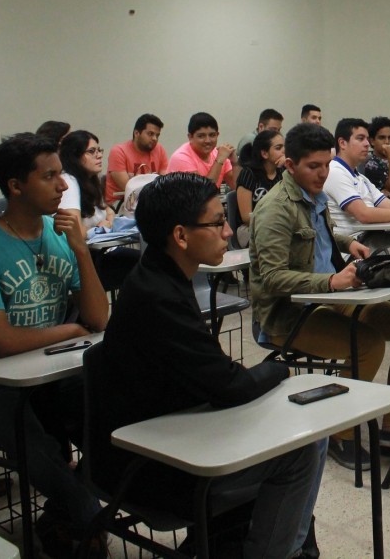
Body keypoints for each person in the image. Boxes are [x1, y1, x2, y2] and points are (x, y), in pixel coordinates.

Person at [95, 172, 323, 559]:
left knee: (290, 432)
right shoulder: (158, 296)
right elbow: (228, 385)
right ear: (181, 236)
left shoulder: (160, 275)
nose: (229, 231)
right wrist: (280, 369)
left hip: (177, 430)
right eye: (217, 222)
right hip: (155, 464)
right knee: (303, 447)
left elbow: (212, 375)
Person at [249, 123, 390, 470]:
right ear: (289, 165)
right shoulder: (275, 209)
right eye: (313, 166)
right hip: (291, 314)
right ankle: (341, 433)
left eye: (326, 165)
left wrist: (346, 243)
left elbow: (322, 232)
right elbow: (274, 279)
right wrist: (332, 283)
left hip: (331, 300)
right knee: (368, 344)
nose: (323, 174)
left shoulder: (313, 193)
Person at [0, 132, 109, 557]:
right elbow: (1, 341)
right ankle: (83, 517)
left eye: (61, 173)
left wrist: (80, 250)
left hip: (54, 371)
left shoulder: (60, 234)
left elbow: (98, 319)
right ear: (16, 186)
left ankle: (61, 521)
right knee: (34, 442)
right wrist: (68, 332)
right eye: (50, 176)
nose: (63, 185)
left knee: (113, 412)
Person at [324, 118, 390, 246]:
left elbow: (388, 205)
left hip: (372, 236)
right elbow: (364, 215)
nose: (366, 144)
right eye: (360, 139)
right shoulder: (335, 172)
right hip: (353, 245)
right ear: (342, 143)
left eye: (367, 139)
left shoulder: (360, 177)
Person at [59, 130, 114, 237]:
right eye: (91, 151)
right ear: (74, 156)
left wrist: (108, 223)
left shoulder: (91, 179)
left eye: (99, 150)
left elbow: (109, 212)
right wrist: (98, 229)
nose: (99, 156)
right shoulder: (68, 182)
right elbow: (74, 232)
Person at [235, 129, 284, 247]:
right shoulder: (249, 174)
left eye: (284, 147)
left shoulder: (283, 173)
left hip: (279, 225)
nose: (284, 152)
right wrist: (275, 222)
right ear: (264, 153)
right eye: (278, 148)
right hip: (250, 228)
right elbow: (246, 217)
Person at [105, 113, 168, 203]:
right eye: (150, 134)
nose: (155, 139)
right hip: (119, 206)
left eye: (157, 135)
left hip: (150, 202)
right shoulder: (119, 151)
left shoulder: (159, 149)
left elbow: (165, 183)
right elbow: (129, 188)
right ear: (136, 133)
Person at [169, 112, 235, 189]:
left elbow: (236, 186)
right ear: (190, 137)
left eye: (212, 135)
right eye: (201, 136)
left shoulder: (219, 154)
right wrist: (219, 160)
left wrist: (235, 162)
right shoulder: (180, 158)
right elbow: (202, 193)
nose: (208, 141)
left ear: (217, 135)